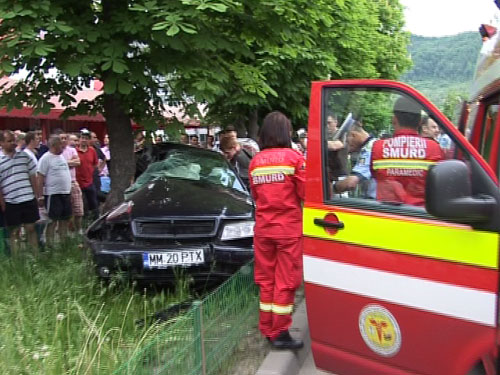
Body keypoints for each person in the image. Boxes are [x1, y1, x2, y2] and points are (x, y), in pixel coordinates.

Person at [249, 111, 306, 350]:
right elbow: (306, 194)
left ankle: (268, 328)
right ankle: (280, 332)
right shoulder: (294, 159)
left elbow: (255, 195)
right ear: (286, 132)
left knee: (266, 280)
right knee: (285, 281)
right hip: (288, 230)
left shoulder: (255, 161)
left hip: (263, 230)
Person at [370, 97, 444, 206]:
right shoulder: (434, 148)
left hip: (386, 216)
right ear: (419, 122)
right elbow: (438, 184)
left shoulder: (378, 147)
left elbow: (375, 176)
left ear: (394, 119)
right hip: (420, 217)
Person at [0, 130, 40, 255]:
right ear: (1, 143)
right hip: (11, 199)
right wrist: (2, 202)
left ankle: (35, 256)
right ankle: (17, 260)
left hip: (28, 197)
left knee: (31, 228)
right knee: (14, 231)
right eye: (9, 141)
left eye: (14, 140)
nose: (13, 143)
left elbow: (33, 176)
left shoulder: (24, 156)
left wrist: (36, 195)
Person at [36, 136, 72, 244]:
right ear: (53, 145)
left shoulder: (61, 157)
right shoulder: (46, 158)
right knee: (52, 220)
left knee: (65, 219)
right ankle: (50, 244)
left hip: (65, 192)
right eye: (61, 145)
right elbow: (40, 177)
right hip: (53, 194)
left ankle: (63, 243)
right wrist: (40, 195)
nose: (63, 147)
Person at [333, 122, 377, 199]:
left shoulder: (369, 149)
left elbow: (350, 183)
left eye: (347, 141)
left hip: (373, 201)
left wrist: (331, 188)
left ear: (353, 135)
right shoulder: (372, 145)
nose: (348, 146)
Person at [60, 133, 83, 234]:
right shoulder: (56, 152)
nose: (64, 140)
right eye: (62, 138)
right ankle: (67, 232)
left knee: (78, 210)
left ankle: (79, 231)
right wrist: (70, 162)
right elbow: (58, 165)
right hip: (61, 184)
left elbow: (78, 162)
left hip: (73, 182)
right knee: (66, 212)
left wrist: (65, 162)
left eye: (66, 138)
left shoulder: (72, 150)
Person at [76, 130, 99, 219]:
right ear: (79, 139)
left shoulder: (92, 150)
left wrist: (91, 171)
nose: (84, 140)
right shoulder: (74, 151)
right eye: (82, 138)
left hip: (89, 181)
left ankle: (95, 220)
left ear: (89, 140)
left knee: (93, 202)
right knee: (80, 204)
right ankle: (82, 221)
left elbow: (95, 163)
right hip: (78, 182)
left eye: (86, 138)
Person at [326, 114, 349, 187]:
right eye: (325, 123)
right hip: (329, 176)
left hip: (340, 175)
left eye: (329, 123)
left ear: (335, 122)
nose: (327, 126)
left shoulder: (343, 133)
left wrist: (318, 143)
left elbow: (336, 145)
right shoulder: (325, 136)